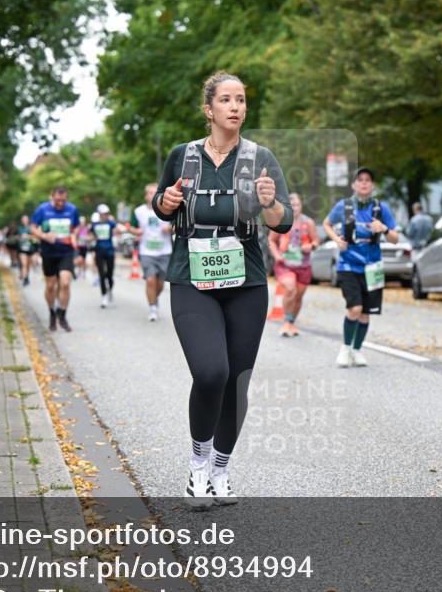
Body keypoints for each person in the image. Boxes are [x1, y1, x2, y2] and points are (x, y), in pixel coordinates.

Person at [153, 71, 292, 508]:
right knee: (210, 371)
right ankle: (197, 466)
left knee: (236, 380)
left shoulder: (260, 158)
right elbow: (162, 204)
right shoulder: (183, 156)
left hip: (246, 281)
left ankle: (220, 469)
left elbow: (282, 222)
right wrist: (167, 203)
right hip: (191, 277)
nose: (236, 107)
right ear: (209, 109)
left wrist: (268, 202)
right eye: (227, 100)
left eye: (242, 100)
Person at [323, 167, 399, 367]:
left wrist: (384, 229)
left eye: (367, 180)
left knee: (366, 313)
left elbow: (395, 238)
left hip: (373, 267)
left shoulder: (380, 208)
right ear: (353, 185)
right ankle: (345, 348)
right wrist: (336, 241)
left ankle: (357, 350)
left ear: (372, 185)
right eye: (360, 180)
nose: (364, 183)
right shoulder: (344, 206)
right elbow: (327, 224)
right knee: (354, 308)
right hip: (348, 265)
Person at [268, 192, 319, 336]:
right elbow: (271, 240)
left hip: (303, 265)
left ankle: (291, 322)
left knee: (298, 297)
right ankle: (285, 322)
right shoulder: (281, 221)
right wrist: (277, 255)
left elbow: (316, 240)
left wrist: (311, 246)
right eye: (292, 205)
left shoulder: (308, 223)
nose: (295, 208)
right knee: (291, 289)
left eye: (297, 205)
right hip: (285, 264)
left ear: (301, 206)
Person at [31, 186, 80, 332]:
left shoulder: (72, 209)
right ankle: (52, 312)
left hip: (66, 251)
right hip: (48, 252)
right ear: (52, 196)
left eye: (63, 200)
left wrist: (74, 235)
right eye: (58, 200)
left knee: (65, 283)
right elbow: (33, 227)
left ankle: (62, 314)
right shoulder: (42, 209)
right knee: (50, 285)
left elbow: (76, 227)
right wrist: (44, 236)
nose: (60, 203)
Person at [130, 183, 174, 322]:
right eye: (150, 193)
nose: (153, 195)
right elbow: (131, 227)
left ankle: (154, 298)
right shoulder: (139, 211)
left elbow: (176, 225)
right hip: (147, 251)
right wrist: (136, 231)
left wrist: (170, 229)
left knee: (160, 283)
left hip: (164, 251)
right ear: (146, 195)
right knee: (150, 280)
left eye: (155, 192)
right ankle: (153, 307)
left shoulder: (168, 209)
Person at [91, 204, 121, 307]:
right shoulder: (94, 224)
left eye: (107, 214)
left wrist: (117, 231)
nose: (105, 215)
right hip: (99, 251)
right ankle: (104, 296)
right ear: (99, 214)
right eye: (103, 214)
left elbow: (118, 230)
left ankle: (110, 289)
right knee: (101, 275)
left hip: (110, 251)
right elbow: (90, 235)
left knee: (109, 274)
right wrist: (89, 239)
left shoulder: (111, 223)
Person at [16, 215, 36, 286]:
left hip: (30, 248)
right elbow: (17, 237)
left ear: (28, 220)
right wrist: (20, 237)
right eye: (23, 219)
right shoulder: (19, 228)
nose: (25, 220)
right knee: (24, 264)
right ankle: (24, 279)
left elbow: (36, 237)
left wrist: (28, 236)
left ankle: (27, 276)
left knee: (28, 264)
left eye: (26, 219)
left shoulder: (31, 228)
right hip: (22, 248)